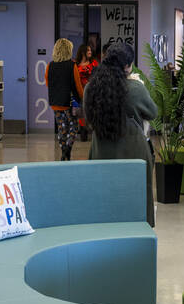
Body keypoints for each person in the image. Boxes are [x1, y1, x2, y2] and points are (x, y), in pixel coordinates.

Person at [82, 41, 157, 227]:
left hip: (100, 152)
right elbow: (153, 112)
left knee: (104, 202)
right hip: (134, 155)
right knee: (135, 204)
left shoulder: (90, 89)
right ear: (127, 66)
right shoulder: (135, 89)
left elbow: (88, 118)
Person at [46, 38, 78, 160]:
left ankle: (63, 149)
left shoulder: (50, 65)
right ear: (68, 50)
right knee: (73, 126)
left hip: (55, 102)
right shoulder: (72, 65)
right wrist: (80, 98)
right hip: (69, 102)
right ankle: (67, 149)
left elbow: (47, 82)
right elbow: (77, 84)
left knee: (61, 127)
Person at [73, 44, 98, 141]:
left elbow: (97, 77)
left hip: (91, 92)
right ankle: (83, 134)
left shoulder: (94, 63)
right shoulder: (75, 64)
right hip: (78, 92)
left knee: (92, 113)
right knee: (80, 113)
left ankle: (94, 133)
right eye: (88, 50)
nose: (90, 52)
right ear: (82, 52)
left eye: (91, 50)